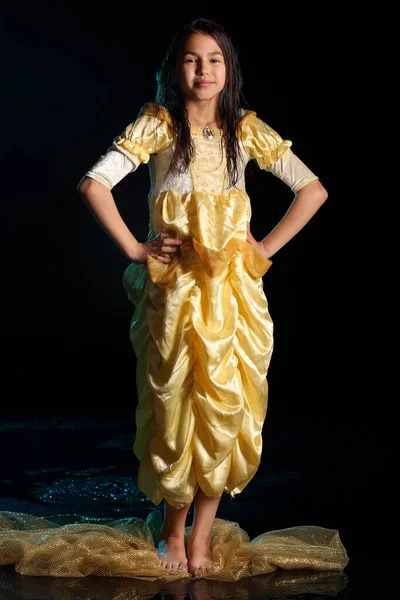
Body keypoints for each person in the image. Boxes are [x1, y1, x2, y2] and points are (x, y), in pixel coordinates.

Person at [77, 17, 328, 577]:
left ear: (229, 68)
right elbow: (95, 183)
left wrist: (261, 247)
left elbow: (313, 189)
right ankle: (172, 531)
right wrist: (137, 249)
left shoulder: (244, 129)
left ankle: (202, 538)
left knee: (226, 407)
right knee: (178, 408)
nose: (204, 69)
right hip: (180, 291)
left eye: (214, 59)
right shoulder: (159, 126)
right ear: (175, 69)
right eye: (191, 59)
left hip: (234, 293)